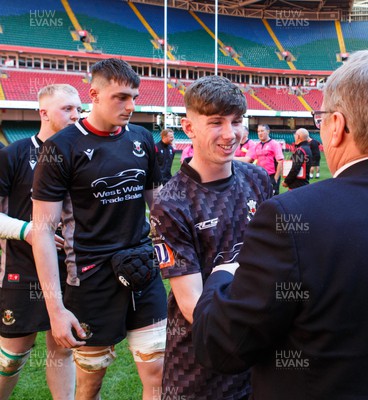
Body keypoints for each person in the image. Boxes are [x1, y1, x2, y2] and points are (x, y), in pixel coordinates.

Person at [192, 50, 368, 399]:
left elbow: (221, 347)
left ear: (338, 125)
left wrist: (224, 272)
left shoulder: (291, 217)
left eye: (322, 118)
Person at [31, 58, 167, 400]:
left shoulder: (141, 138)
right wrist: (56, 310)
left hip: (141, 270)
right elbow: (44, 231)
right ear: (94, 93)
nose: (131, 106)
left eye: (134, 97)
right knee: (91, 380)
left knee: (157, 370)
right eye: (121, 97)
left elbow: (160, 206)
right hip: (90, 278)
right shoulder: (60, 148)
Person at [151, 75, 271, 399]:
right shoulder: (171, 203)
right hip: (200, 363)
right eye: (216, 122)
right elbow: (193, 306)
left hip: (259, 355)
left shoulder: (259, 179)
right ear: (189, 128)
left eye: (236, 121)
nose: (230, 134)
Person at [0, 84, 80, 400]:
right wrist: (28, 232)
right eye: (67, 109)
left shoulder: (83, 155)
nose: (76, 115)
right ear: (43, 112)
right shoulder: (13, 155)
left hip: (73, 270)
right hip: (23, 270)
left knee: (63, 348)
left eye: (78, 108)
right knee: (13, 356)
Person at [245, 124, 284, 195]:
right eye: (258, 131)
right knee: (261, 196)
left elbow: (280, 162)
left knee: (272, 197)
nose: (260, 133)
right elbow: (253, 160)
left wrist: (276, 177)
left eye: (262, 131)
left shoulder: (275, 144)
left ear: (268, 131)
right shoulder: (257, 145)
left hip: (271, 176)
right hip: (260, 176)